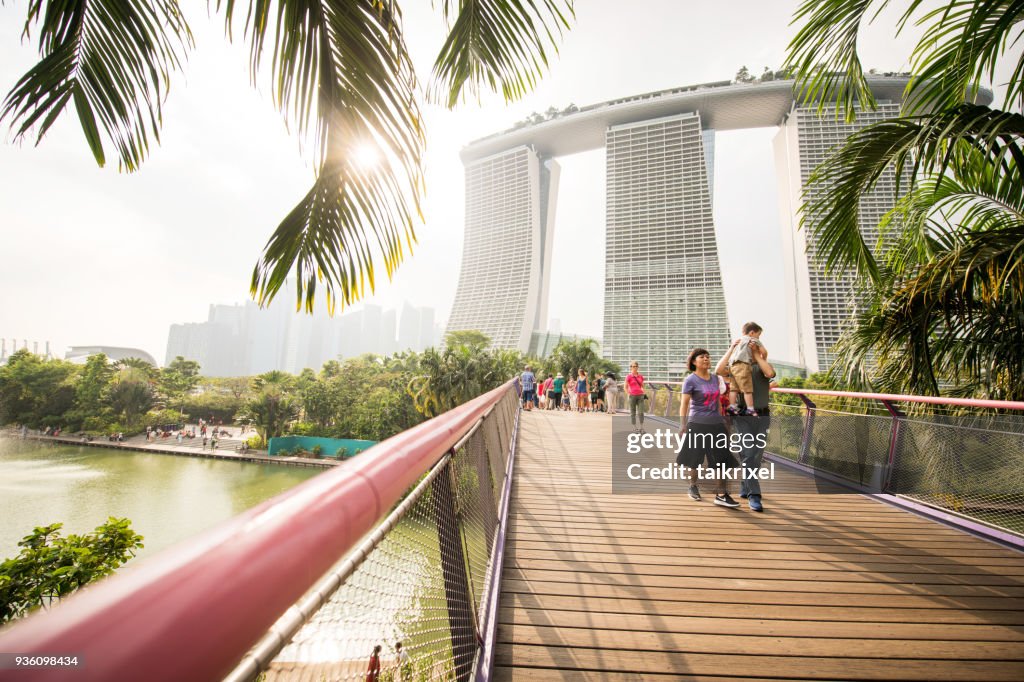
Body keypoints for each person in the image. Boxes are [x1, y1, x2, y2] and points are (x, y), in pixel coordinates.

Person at [717, 340, 776, 512]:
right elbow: (719, 370)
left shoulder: (761, 367)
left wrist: (757, 354)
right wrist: (732, 349)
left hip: (763, 415)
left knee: (755, 455)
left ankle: (745, 484)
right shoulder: (737, 368)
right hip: (743, 415)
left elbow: (770, 372)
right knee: (749, 453)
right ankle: (754, 494)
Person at [678, 348, 739, 508]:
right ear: (693, 361)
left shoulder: (715, 379)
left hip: (716, 423)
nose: (706, 359)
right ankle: (692, 486)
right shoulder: (690, 380)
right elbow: (684, 404)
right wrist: (683, 425)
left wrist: (722, 421)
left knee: (722, 459)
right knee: (695, 459)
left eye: (708, 356)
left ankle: (721, 494)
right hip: (697, 423)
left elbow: (718, 401)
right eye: (702, 357)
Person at [725, 322, 764, 416]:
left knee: (734, 388)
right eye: (758, 335)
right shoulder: (752, 340)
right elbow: (763, 351)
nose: (758, 338)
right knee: (747, 388)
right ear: (751, 333)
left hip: (732, 365)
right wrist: (758, 351)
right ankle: (750, 409)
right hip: (743, 365)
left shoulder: (737, 341)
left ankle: (732, 406)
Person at [625, 362, 646, 432]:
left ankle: (641, 427)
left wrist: (643, 391)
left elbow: (643, 385)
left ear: (638, 367)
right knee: (632, 412)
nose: (634, 368)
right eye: (633, 366)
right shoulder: (628, 376)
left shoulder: (640, 376)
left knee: (641, 412)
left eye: (636, 366)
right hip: (632, 396)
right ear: (631, 367)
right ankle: (634, 427)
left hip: (640, 396)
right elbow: (625, 387)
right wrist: (628, 393)